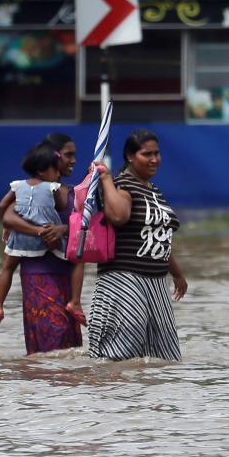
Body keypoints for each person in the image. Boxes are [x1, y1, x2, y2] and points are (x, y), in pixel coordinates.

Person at [85, 129, 187, 361]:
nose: (154, 159)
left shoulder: (154, 191)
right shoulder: (122, 185)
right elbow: (118, 216)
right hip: (125, 279)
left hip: (156, 282)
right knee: (119, 356)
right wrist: (106, 179)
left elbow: (159, 238)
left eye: (157, 153)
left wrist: (177, 274)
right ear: (130, 156)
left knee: (163, 359)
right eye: (146, 154)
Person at [0, 143, 70, 328]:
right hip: (47, 235)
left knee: (7, 268)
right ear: (42, 170)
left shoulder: (17, 185)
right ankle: (74, 300)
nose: (58, 174)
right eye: (55, 169)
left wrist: (6, 226)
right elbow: (61, 205)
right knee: (72, 259)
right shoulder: (53, 187)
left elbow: (2, 206)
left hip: (20, 239)